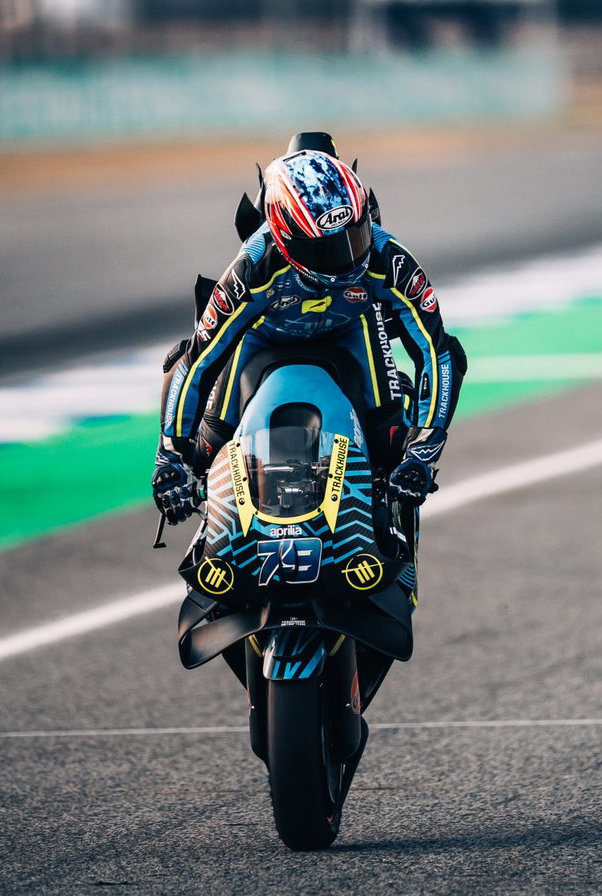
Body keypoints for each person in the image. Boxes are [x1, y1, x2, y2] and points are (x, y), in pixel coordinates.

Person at [151, 133, 464, 569]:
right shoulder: (253, 265)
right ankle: (213, 548)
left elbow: (439, 352)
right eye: (328, 247)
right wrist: (170, 456)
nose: (351, 256)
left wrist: (424, 452)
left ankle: (394, 549)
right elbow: (196, 359)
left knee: (391, 445)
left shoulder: (387, 255)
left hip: (353, 330)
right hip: (261, 337)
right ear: (284, 237)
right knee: (206, 448)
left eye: (355, 234)